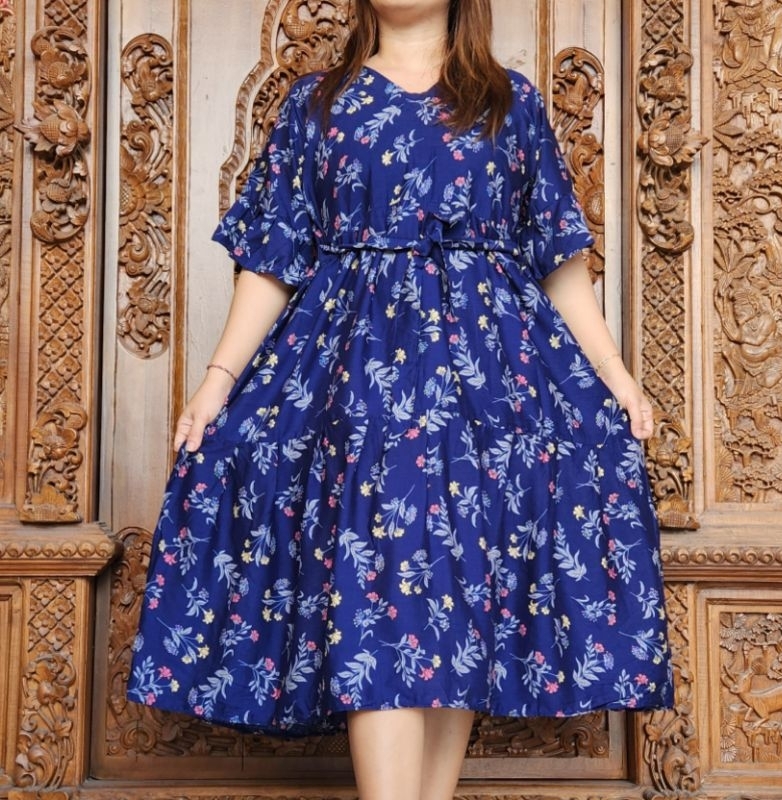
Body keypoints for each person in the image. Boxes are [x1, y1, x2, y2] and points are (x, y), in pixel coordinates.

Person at [127, 1, 673, 798]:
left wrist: (616, 376)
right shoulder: (318, 103)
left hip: (491, 390)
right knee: (381, 588)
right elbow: (274, 256)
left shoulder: (510, 101)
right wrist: (217, 383)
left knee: (455, 594)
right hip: (359, 383)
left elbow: (557, 255)